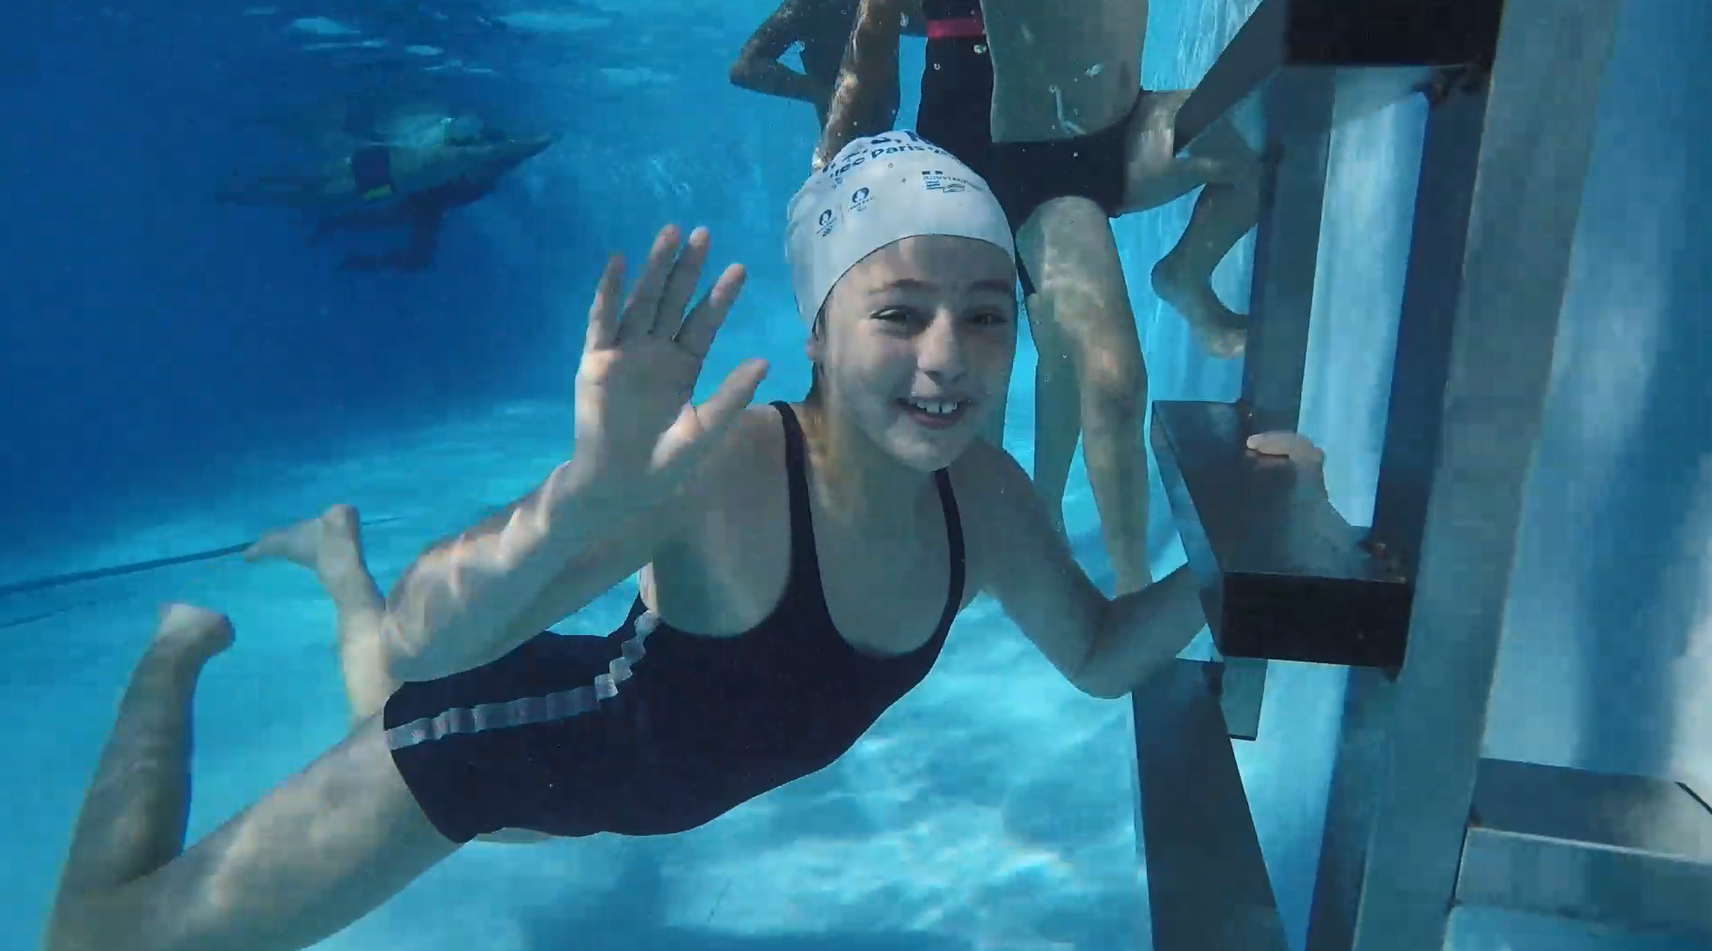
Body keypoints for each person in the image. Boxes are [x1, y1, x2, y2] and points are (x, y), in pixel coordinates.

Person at [43, 136, 1321, 951]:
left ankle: (333, 556)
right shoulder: (727, 470)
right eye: (900, 312)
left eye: (985, 319)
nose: (947, 359)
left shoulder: (977, 497)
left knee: (380, 683)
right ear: (818, 333)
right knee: (101, 942)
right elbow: (455, 641)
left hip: (625, 779)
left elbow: (1099, 655)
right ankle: (174, 653)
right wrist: (582, 507)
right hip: (513, 752)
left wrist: (1236, 546)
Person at [816, 0, 1262, 597]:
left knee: (1258, 135)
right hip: (1033, 152)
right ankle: (1062, 565)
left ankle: (1185, 277)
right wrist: (833, 168)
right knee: (1037, 363)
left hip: (1124, 125)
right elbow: (875, 32)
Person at [218, 120, 557, 272]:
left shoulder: (450, 154)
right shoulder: (466, 159)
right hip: (387, 178)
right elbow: (513, 151)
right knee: (316, 195)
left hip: (383, 169)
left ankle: (254, 188)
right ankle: (249, 194)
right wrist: (548, 137)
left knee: (316, 188)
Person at [728, 0, 923, 135]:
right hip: (842, 139)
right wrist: (826, 94)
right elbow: (744, 68)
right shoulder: (805, 7)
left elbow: (931, 22)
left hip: (880, 133)